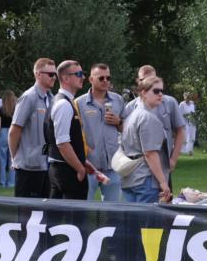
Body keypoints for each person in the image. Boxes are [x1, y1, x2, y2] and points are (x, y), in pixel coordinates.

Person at [45, 60, 100, 200]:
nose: (82, 77)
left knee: (56, 217)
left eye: (83, 73)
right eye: (79, 74)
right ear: (65, 78)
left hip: (64, 168)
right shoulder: (63, 104)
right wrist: (79, 168)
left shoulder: (62, 101)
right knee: (74, 219)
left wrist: (82, 161)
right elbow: (62, 143)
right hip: (67, 171)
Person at [124, 65, 185, 189]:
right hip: (141, 173)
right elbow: (149, 152)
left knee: (164, 206)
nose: (148, 83)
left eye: (153, 81)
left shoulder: (169, 102)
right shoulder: (131, 107)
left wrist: (173, 159)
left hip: (163, 165)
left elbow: (181, 130)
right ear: (139, 83)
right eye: (144, 81)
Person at [76, 63, 127, 201]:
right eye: (101, 78)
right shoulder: (79, 104)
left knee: (111, 211)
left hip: (113, 166)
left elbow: (128, 130)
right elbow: (74, 136)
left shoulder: (118, 100)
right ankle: (85, 224)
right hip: (89, 167)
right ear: (91, 80)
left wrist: (119, 122)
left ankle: (104, 223)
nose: (105, 81)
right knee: (84, 209)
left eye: (108, 78)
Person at [120, 75, 172, 204]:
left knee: (131, 222)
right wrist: (163, 182)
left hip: (130, 178)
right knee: (145, 223)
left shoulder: (132, 115)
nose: (160, 94)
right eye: (156, 91)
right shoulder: (148, 118)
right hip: (145, 180)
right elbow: (150, 153)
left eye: (162, 91)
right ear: (143, 93)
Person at [10, 58, 56, 198]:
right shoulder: (29, 97)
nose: (54, 77)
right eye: (50, 74)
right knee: (26, 214)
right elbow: (15, 130)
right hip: (28, 167)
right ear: (38, 74)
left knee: (44, 213)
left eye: (55, 74)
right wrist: (14, 158)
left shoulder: (51, 98)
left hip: (45, 165)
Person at [0, 90, 17, 188]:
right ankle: (11, 183)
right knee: (12, 160)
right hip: (13, 133)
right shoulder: (16, 109)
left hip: (3, 133)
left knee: (2, 160)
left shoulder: (0, 109)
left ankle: (2, 182)